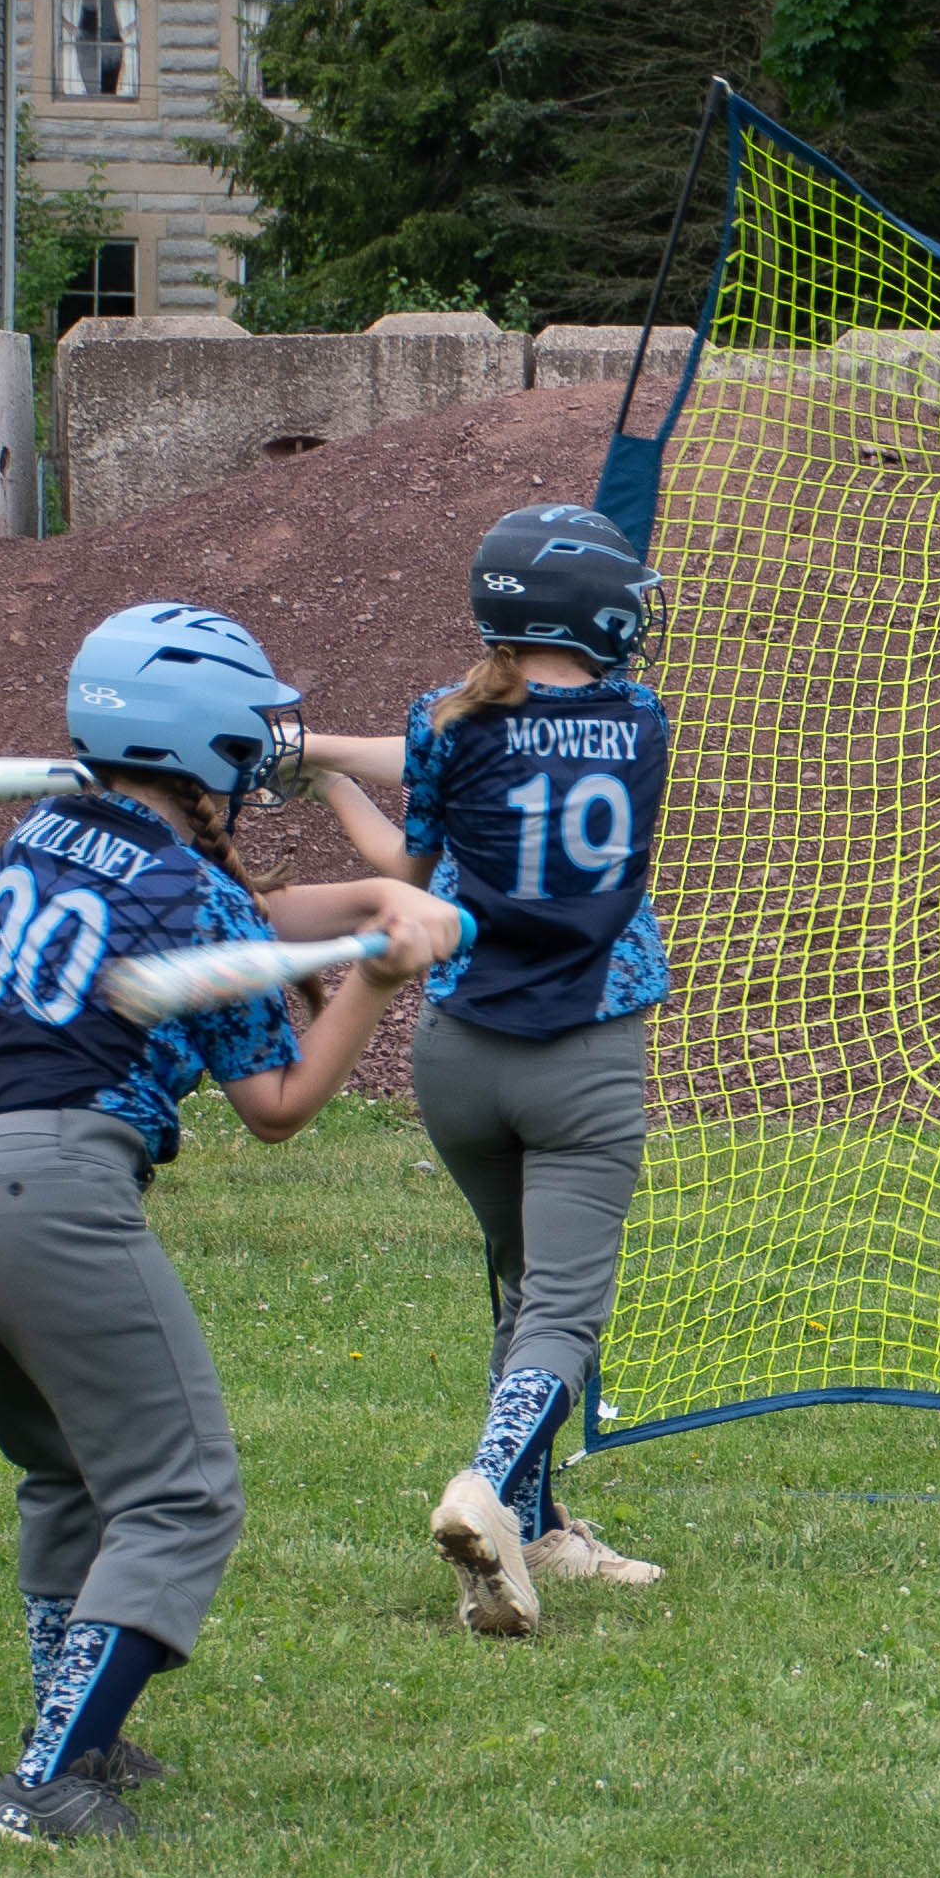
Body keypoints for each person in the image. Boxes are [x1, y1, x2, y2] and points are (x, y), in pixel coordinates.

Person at [0, 600, 458, 1840]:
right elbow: (281, 1103)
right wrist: (378, 979)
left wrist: (370, 903)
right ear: (205, 753)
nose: (261, 759)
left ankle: (74, 1728)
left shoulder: (48, 827)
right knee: (181, 1492)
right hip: (42, 1199)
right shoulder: (192, 892)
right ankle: (45, 1785)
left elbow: (236, 916)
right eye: (248, 739)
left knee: (68, 1472)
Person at [304, 503, 678, 1637]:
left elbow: (397, 855)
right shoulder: (644, 718)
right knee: (564, 1310)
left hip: (458, 1057)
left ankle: (538, 1520)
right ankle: (485, 1486)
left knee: (525, 1289)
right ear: (595, 613)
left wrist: (313, 765)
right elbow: (518, 728)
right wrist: (317, 751)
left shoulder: (445, 724)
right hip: (586, 1055)